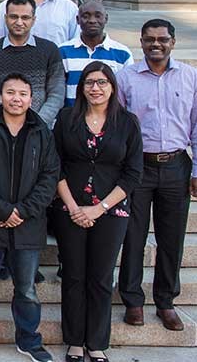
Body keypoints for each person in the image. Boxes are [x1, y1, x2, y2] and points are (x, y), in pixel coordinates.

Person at [0, 73, 59, 362]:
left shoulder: (42, 132)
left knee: (27, 289)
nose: (16, 98)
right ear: (0, 95)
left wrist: (22, 211)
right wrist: (4, 210)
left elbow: (50, 176)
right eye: (10, 92)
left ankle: (29, 340)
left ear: (32, 98)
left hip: (28, 225)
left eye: (22, 93)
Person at [53, 62, 143, 362]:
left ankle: (97, 342)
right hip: (71, 209)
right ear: (81, 88)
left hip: (111, 212)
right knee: (74, 276)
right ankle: (75, 341)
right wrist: (75, 207)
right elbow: (56, 166)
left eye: (102, 82)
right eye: (89, 82)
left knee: (101, 278)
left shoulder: (127, 123)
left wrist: (99, 208)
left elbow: (133, 174)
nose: (95, 88)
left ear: (113, 87)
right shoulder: (67, 119)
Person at [117, 19, 197, 332]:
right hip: (138, 168)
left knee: (172, 239)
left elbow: (195, 125)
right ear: (141, 41)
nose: (156, 44)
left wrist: (195, 169)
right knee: (132, 236)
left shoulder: (190, 77)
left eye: (162, 39)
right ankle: (133, 300)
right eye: (149, 39)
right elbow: (119, 128)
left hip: (176, 166)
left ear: (172, 42)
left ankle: (166, 301)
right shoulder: (126, 77)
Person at [0, 0, 65, 127]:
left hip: (38, 130)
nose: (19, 22)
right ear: (5, 18)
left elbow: (56, 94)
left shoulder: (49, 50)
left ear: (33, 20)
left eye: (25, 17)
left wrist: (38, 122)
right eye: (13, 17)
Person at [59, 0, 134, 107]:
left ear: (106, 19)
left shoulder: (122, 53)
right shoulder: (63, 51)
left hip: (110, 120)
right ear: (77, 20)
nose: (92, 20)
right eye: (86, 16)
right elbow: (57, 91)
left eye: (98, 16)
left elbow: (126, 91)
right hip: (72, 118)